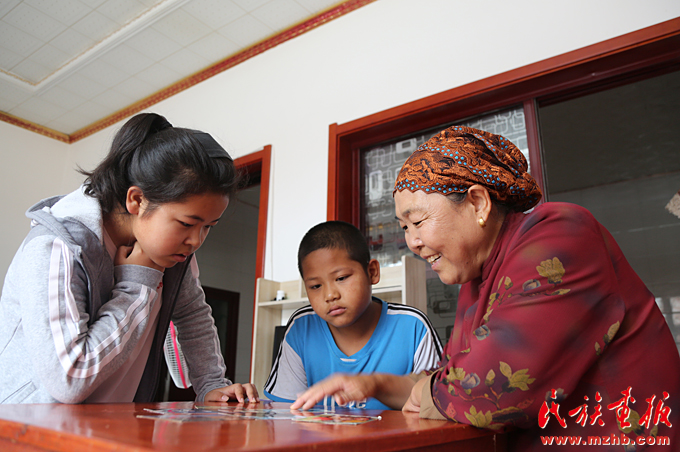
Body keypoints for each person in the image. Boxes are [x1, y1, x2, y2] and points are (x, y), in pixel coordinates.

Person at [294, 125, 680, 450]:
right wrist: (369, 384)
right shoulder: (475, 279)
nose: (412, 242)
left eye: (418, 222)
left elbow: (490, 390)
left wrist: (431, 390)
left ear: (478, 203)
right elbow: (450, 377)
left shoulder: (562, 234)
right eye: (404, 228)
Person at [0, 113, 258, 405]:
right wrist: (136, 286)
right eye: (187, 223)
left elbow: (192, 315)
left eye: (208, 227)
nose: (196, 241)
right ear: (137, 200)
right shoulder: (57, 246)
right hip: (29, 424)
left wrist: (211, 384)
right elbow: (68, 379)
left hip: (111, 422)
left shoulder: (172, 252)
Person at [265, 221, 442, 410]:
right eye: (315, 286)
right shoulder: (301, 328)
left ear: (372, 272)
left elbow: (439, 402)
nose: (330, 295)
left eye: (341, 278)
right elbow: (284, 411)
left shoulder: (413, 327)